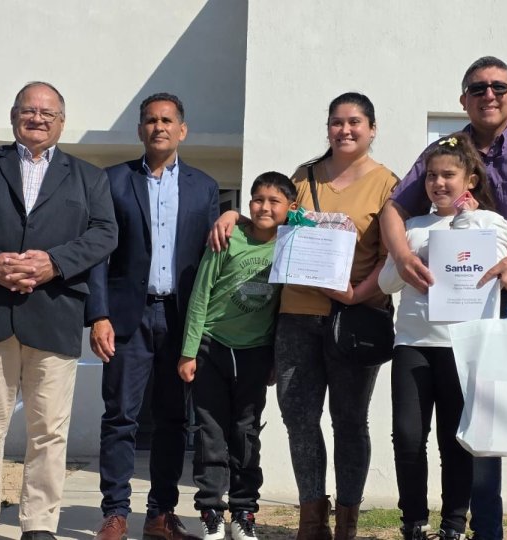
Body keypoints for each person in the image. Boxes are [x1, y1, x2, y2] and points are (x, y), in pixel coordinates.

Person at [381, 57, 507, 540]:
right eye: (477, 87)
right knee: (475, 420)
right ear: (463, 98)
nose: (489, 94)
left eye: (499, 87)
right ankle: (482, 529)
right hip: (456, 314)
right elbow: (392, 207)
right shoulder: (443, 151)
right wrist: (402, 254)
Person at [212, 92, 399, 540]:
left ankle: (347, 522)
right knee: (299, 419)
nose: (345, 130)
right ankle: (311, 520)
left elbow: (392, 258)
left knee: (350, 422)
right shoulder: (304, 177)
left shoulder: (388, 184)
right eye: (337, 122)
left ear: (372, 128)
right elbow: (268, 217)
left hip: (356, 319)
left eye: (355, 122)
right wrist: (233, 213)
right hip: (296, 315)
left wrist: (358, 294)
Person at [0, 81, 118, 540]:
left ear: (62, 121)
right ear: (14, 113)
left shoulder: (88, 177)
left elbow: (104, 233)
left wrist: (54, 263)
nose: (37, 118)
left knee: (48, 431)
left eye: (47, 112)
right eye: (28, 110)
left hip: (55, 313)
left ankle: (39, 524)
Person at [87, 92, 220, 540]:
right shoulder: (113, 181)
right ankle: (115, 512)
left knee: (172, 419)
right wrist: (98, 314)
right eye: (150, 120)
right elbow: (98, 256)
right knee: (120, 417)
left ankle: (161, 514)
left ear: (182, 129)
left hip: (182, 318)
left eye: (167, 120)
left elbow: (213, 259)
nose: (158, 127)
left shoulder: (204, 187)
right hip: (128, 316)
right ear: (140, 129)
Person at [379, 133, 507, 540]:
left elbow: (497, 270)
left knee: (454, 441)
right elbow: (388, 283)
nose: (439, 183)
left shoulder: (491, 223)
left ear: (470, 179)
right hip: (413, 345)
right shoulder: (413, 227)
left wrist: (466, 220)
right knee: (407, 436)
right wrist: (409, 258)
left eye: (449, 175)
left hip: (464, 346)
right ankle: (413, 521)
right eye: (431, 176)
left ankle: (454, 524)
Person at [179, 172, 297, 540]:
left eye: (274, 201)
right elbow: (201, 294)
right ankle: (211, 509)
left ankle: (244, 511)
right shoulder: (227, 239)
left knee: (246, 433)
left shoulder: (291, 243)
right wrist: (189, 351)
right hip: (212, 346)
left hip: (256, 352)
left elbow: (314, 219)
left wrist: (276, 357)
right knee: (211, 431)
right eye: (257, 199)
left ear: (290, 208)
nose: (265, 207)